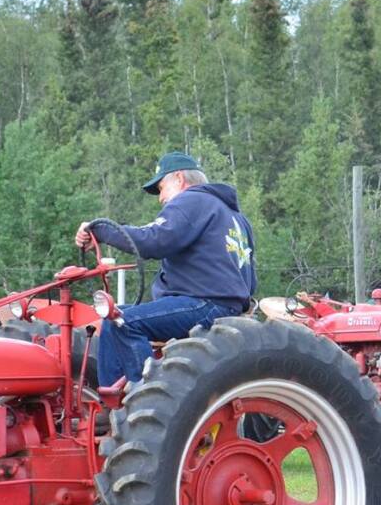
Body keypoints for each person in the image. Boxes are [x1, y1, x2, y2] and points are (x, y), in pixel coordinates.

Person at [75, 152, 257, 387]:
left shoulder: (192, 200)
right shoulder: (236, 218)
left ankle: (143, 400)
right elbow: (250, 279)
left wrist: (101, 231)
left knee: (124, 321)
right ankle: (110, 399)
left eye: (161, 188)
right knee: (112, 317)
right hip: (227, 307)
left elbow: (154, 240)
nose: (161, 198)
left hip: (204, 304)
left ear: (179, 178)